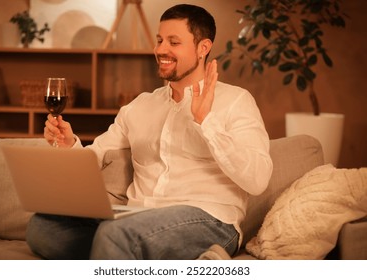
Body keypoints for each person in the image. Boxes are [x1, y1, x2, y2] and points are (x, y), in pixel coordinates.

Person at [26, 4, 273, 260]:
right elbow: (96, 155)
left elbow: (257, 180)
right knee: (42, 227)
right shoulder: (139, 106)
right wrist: (69, 146)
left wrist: (206, 122)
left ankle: (119, 249)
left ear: (203, 48)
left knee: (117, 234)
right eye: (159, 40)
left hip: (210, 219)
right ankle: (139, 256)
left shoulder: (236, 100)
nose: (160, 50)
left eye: (173, 42)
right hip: (136, 216)